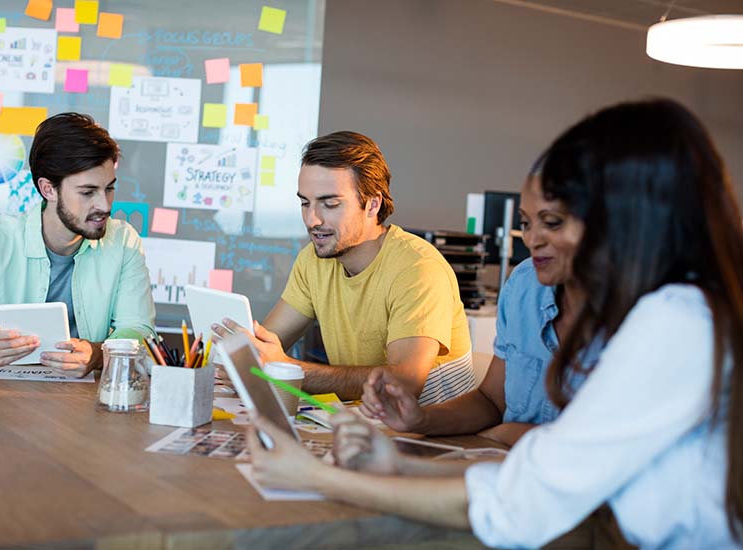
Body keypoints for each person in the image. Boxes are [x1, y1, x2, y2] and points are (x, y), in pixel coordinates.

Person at [246, 99, 743, 548]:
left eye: (561, 218)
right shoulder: (671, 310)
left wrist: (319, 477)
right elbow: (530, 463)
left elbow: (522, 502)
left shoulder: (676, 324)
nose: (542, 241)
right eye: (531, 222)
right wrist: (397, 465)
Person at [215, 131, 476, 404]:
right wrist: (244, 358)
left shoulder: (418, 269)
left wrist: (287, 372)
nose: (312, 219)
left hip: (436, 438)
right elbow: (267, 345)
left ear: (372, 204)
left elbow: (404, 384)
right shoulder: (313, 261)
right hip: (365, 426)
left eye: (330, 204)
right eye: (305, 203)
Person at [358, 169, 598, 445]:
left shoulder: (638, 319)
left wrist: (508, 436)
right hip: (500, 467)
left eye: (552, 223)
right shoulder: (524, 284)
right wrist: (420, 420)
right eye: (526, 223)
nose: (532, 240)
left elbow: (601, 446)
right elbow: (491, 401)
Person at [0, 113, 156, 376]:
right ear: (48, 189)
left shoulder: (124, 242)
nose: (105, 205)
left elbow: (139, 331)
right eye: (88, 192)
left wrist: (98, 354)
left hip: (84, 407)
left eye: (109, 188)